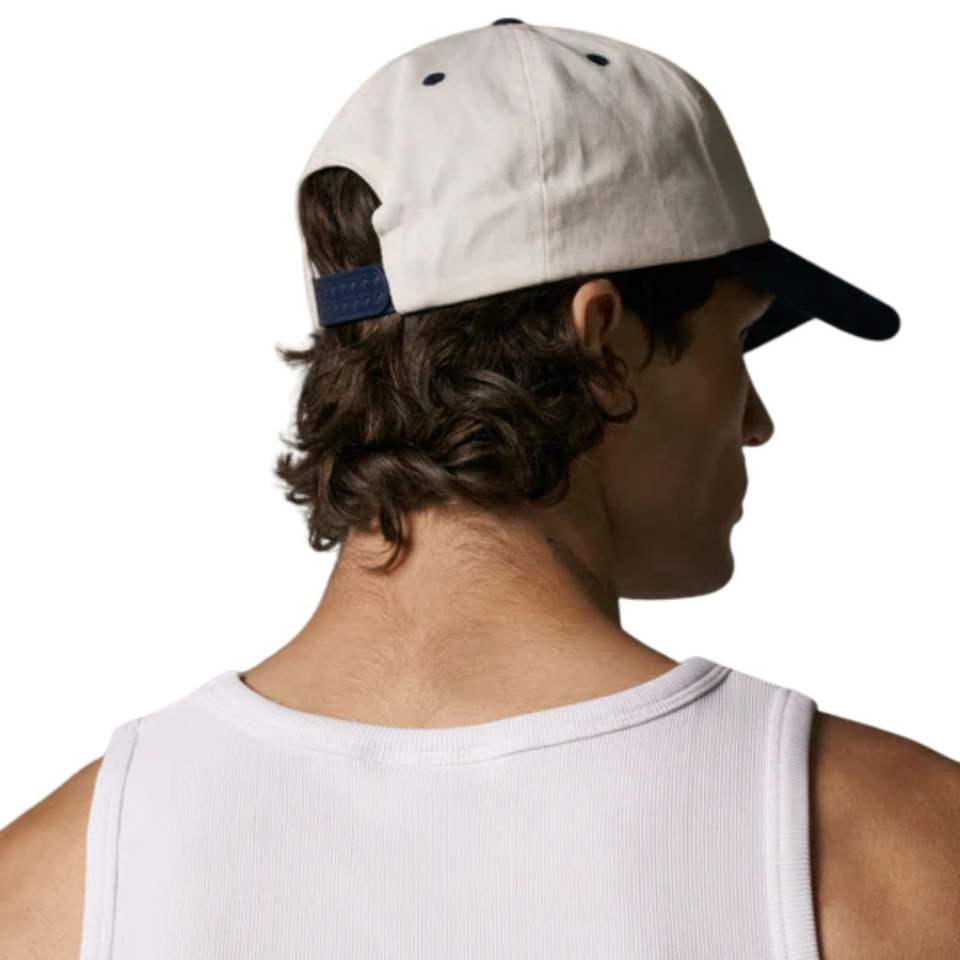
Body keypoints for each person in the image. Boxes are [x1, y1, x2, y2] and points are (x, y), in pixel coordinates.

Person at [3, 19, 958, 960]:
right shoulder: (891, 849)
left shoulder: (55, 885)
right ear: (603, 343)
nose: (755, 419)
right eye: (736, 342)